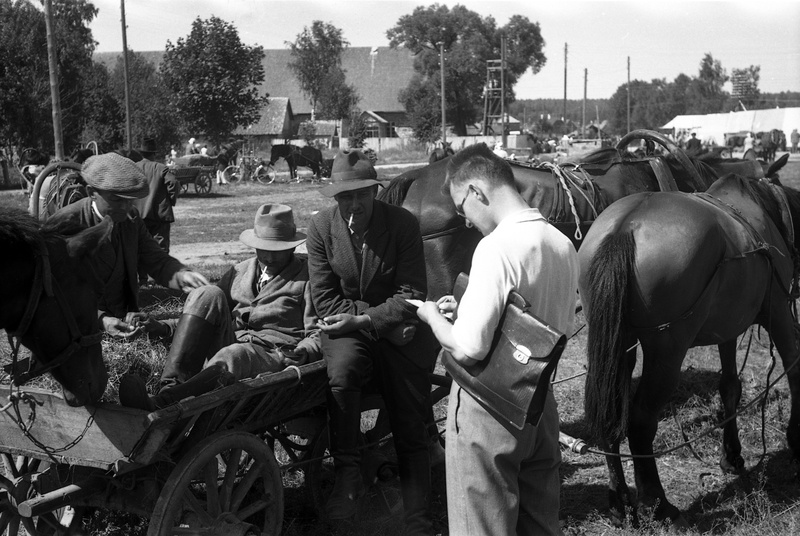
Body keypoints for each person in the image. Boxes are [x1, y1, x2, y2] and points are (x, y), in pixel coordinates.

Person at [415, 143, 579, 535]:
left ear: (476, 191)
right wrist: (469, 308)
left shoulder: (495, 248)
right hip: (538, 404)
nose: (466, 221)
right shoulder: (562, 243)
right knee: (540, 525)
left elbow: (469, 348)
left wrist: (433, 317)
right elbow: (537, 322)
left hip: (488, 410)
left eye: (461, 207)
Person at [306, 149, 437, 533]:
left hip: (389, 331)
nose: (354, 203)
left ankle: (417, 518)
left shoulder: (402, 224)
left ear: (375, 191)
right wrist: (378, 319)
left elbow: (412, 292)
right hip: (348, 328)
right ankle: (347, 473)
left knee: (409, 416)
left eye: (362, 194)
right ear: (335, 197)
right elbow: (325, 299)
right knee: (343, 369)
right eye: (345, 196)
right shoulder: (321, 228)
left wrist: (364, 317)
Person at [119, 203, 322, 411]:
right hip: (233, 342)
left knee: (234, 354)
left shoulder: (307, 279)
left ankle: (164, 403)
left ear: (292, 246)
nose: (269, 258)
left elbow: (319, 331)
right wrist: (163, 327)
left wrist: (302, 352)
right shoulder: (240, 271)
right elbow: (206, 314)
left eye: (277, 251)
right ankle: (170, 388)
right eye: (263, 249)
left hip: (272, 354)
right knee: (207, 293)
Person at [47, 152, 210, 338]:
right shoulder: (64, 224)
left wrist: (183, 275)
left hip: (122, 328)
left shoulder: (131, 220)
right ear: (92, 193)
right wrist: (100, 319)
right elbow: (54, 292)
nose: (126, 207)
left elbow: (156, 260)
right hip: (76, 333)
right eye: (117, 199)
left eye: (130, 199)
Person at [132, 138, 179, 254]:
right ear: (154, 153)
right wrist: (171, 200)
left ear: (141, 153)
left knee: (139, 247)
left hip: (138, 214)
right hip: (159, 215)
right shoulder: (161, 168)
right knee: (160, 249)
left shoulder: (133, 168)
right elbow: (173, 183)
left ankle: (142, 272)